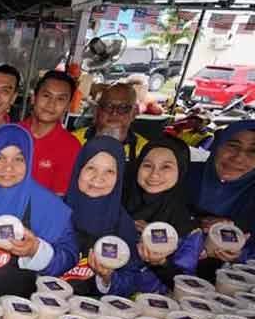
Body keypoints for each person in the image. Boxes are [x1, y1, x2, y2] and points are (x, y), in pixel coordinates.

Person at [0, 124, 78, 298]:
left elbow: (69, 256)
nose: (8, 168)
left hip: (20, 308)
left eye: (18, 159)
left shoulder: (47, 204)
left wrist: (35, 250)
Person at [61, 136, 144, 297]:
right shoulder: (52, 211)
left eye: (110, 171)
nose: (98, 178)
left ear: (119, 178)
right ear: (79, 169)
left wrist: (107, 277)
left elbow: (131, 280)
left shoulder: (123, 225)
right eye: (91, 168)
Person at [124, 136, 204, 291]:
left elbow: (185, 284)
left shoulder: (187, 227)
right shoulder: (118, 207)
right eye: (147, 165)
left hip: (156, 306)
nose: (154, 174)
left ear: (181, 170)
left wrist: (160, 262)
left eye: (166, 167)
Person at [188, 120, 255, 272]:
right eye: (233, 145)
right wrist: (195, 223)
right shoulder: (182, 175)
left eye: (253, 151)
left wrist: (240, 253)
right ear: (217, 145)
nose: (238, 157)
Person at [19, 70, 81, 195]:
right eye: (46, 96)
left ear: (68, 106)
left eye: (60, 99)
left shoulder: (71, 147)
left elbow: (59, 198)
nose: (51, 104)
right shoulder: (12, 132)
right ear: (33, 98)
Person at [74, 83, 148, 162]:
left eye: (123, 107)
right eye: (108, 106)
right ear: (97, 111)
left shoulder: (145, 150)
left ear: (134, 113)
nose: (114, 113)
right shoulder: (73, 141)